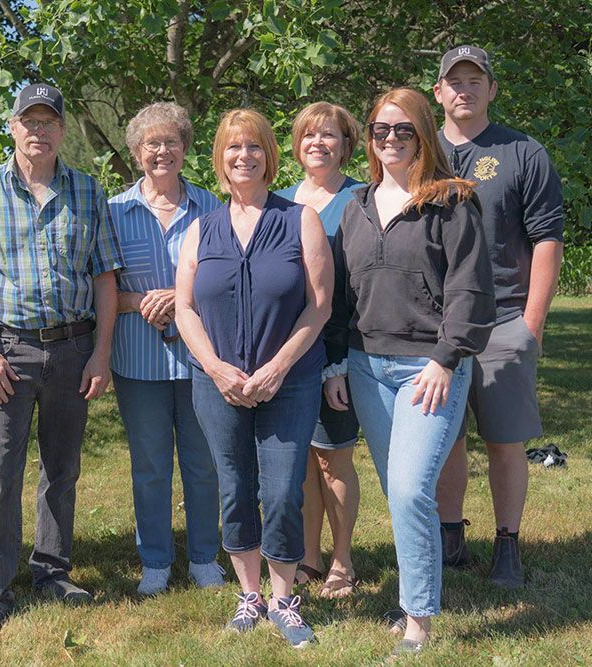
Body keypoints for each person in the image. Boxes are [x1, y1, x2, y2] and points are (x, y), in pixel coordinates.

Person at [0, 83, 122, 638]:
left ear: (61, 129)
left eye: (49, 121)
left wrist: (101, 353)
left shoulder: (88, 192)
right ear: (13, 128)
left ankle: (52, 570)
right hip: (9, 351)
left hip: (73, 349)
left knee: (61, 468)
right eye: (29, 121)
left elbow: (105, 278)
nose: (38, 130)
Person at [325, 87, 495, 657]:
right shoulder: (357, 206)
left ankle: (418, 617)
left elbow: (471, 291)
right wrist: (336, 365)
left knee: (407, 488)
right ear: (369, 139)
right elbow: (342, 297)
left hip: (429, 368)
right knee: (402, 493)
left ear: (424, 133)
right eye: (380, 130)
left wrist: (447, 360)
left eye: (404, 130)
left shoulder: (452, 201)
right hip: (365, 367)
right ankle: (413, 601)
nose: (391, 139)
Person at [174, 109, 332, 648]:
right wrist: (215, 367)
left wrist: (277, 367)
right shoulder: (202, 228)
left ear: (270, 156)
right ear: (219, 159)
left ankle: (284, 596)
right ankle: (249, 593)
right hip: (216, 383)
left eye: (255, 147)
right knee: (235, 487)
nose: (244, 156)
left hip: (287, 381)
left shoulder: (300, 219)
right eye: (233, 148)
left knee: (284, 488)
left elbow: (319, 306)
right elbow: (184, 308)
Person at [432, 45, 565, 587]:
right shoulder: (418, 149)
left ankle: (507, 542)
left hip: (503, 318)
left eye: (474, 80)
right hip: (434, 322)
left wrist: (531, 324)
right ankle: (450, 535)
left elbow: (547, 240)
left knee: (505, 440)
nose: (464, 89)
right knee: (444, 437)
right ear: (438, 91)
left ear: (491, 89)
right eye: (453, 81)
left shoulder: (524, 152)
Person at [109, 102, 223, 595]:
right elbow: (98, 288)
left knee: (204, 465)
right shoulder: (112, 212)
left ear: (185, 149)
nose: (162, 151)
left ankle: (204, 557)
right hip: (137, 362)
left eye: (171, 142)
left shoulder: (213, 208)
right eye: (151, 143)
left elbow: (226, 281)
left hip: (202, 360)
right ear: (137, 153)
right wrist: (140, 301)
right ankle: (154, 560)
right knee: (150, 467)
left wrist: (181, 297)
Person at [274, 102, 363, 598]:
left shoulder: (360, 199)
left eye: (329, 135)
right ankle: (307, 556)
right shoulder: (281, 200)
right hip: (289, 354)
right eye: (309, 135)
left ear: (347, 144)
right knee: (301, 462)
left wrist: (337, 363)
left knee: (333, 459)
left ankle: (342, 560)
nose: (318, 144)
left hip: (340, 353)